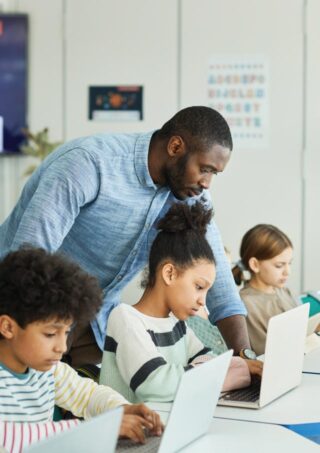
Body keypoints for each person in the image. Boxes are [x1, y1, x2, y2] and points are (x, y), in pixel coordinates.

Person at [0, 106, 253, 367]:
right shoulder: (87, 163)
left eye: (214, 174)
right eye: (205, 169)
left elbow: (219, 276)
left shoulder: (189, 193)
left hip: (91, 318)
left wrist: (244, 357)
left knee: (94, 401)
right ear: (176, 147)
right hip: (23, 311)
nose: (207, 183)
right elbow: (29, 257)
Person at [0, 247, 162, 452]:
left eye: (66, 332)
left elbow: (87, 395)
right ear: (8, 327)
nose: (62, 347)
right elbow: (8, 437)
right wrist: (96, 429)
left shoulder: (49, 369)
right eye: (50, 334)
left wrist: (121, 409)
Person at [100, 202, 254, 403]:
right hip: (127, 433)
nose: (202, 301)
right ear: (169, 273)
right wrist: (223, 372)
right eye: (199, 287)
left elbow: (209, 357)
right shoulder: (125, 318)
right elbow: (155, 385)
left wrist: (211, 371)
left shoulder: (176, 323)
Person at [232, 224, 297, 356]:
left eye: (289, 263)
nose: (287, 272)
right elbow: (267, 352)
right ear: (255, 265)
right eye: (279, 265)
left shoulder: (284, 292)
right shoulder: (246, 304)